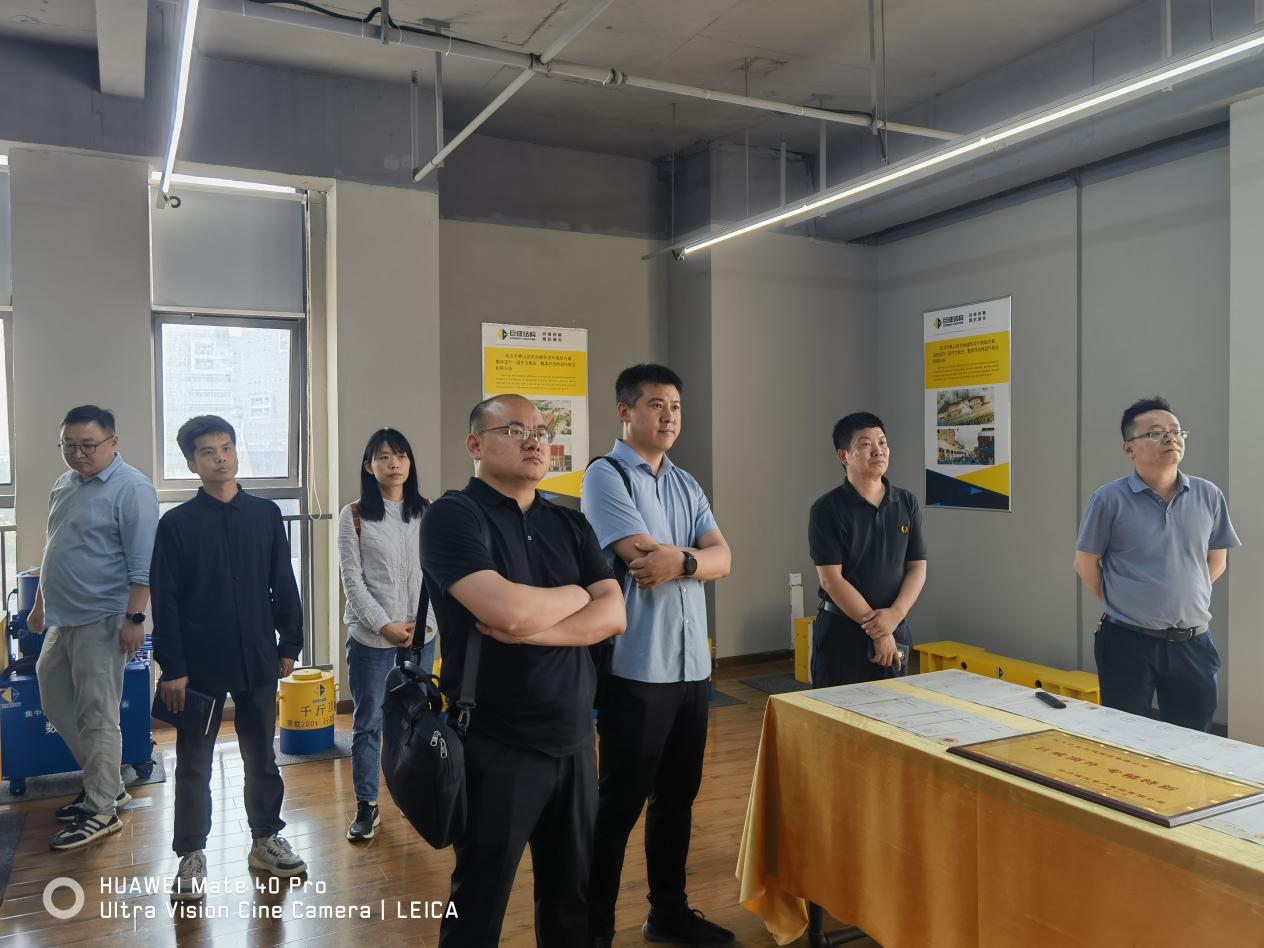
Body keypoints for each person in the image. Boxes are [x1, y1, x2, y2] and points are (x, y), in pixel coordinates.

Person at [421, 394, 625, 947]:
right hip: (496, 741)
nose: (534, 440)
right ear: (475, 444)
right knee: (479, 899)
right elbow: (505, 611)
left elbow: (614, 615)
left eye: (540, 430)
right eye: (515, 429)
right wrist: (577, 594)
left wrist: (535, 627)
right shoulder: (452, 517)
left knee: (570, 899)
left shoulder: (569, 520)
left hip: (575, 738)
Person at [580, 364, 733, 948]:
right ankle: (594, 929)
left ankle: (668, 912)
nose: (669, 416)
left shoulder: (686, 483)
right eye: (655, 405)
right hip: (638, 666)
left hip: (692, 669)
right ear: (625, 411)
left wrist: (684, 561)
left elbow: (723, 558)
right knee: (618, 805)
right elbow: (642, 558)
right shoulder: (606, 474)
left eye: (675, 406)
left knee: (677, 799)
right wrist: (692, 559)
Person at [150, 415, 306, 900]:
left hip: (257, 656)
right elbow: (165, 599)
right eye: (208, 452)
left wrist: (290, 643)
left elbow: (283, 581)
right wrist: (173, 668)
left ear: (236, 452)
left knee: (262, 755)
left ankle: (265, 839)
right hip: (198, 665)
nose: (220, 458)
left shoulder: (265, 514)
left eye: (226, 448)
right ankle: (191, 854)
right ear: (191, 464)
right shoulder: (176, 524)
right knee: (194, 763)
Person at [31, 405, 158, 850]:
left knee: (97, 715)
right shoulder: (64, 483)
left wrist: (135, 619)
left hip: (103, 619)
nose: (77, 453)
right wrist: (39, 606)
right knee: (55, 701)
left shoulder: (132, 488)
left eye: (87, 445)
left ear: (113, 442)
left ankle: (102, 809)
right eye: (69, 445)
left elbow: (144, 562)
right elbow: (54, 546)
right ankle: (108, 784)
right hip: (61, 617)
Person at [1075, 397, 1239, 731]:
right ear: (1129, 448)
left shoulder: (1208, 494)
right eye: (1154, 433)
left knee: (1193, 738)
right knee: (1126, 737)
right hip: (1127, 640)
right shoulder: (1108, 500)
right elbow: (1086, 564)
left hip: (1193, 642)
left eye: (1176, 431)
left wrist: (1184, 594)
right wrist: (1123, 604)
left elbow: (1217, 560)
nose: (1170, 438)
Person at [338, 427, 438, 842]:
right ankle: (367, 805)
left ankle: (410, 797)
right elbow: (352, 581)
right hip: (372, 639)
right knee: (369, 724)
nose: (393, 464)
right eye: (383, 457)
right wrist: (385, 625)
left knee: (414, 721)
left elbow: (437, 573)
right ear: (369, 466)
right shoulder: (354, 515)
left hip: (421, 636)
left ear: (409, 463)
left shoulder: (428, 511)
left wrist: (424, 625)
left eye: (400, 455)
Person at [807, 412, 927, 687]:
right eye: (865, 444)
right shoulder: (827, 508)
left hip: (896, 626)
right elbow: (831, 580)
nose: (878, 450)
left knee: (894, 709)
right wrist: (880, 633)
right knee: (837, 712)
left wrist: (894, 617)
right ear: (844, 455)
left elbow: (917, 567)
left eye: (882, 442)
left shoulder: (906, 502)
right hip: (842, 632)